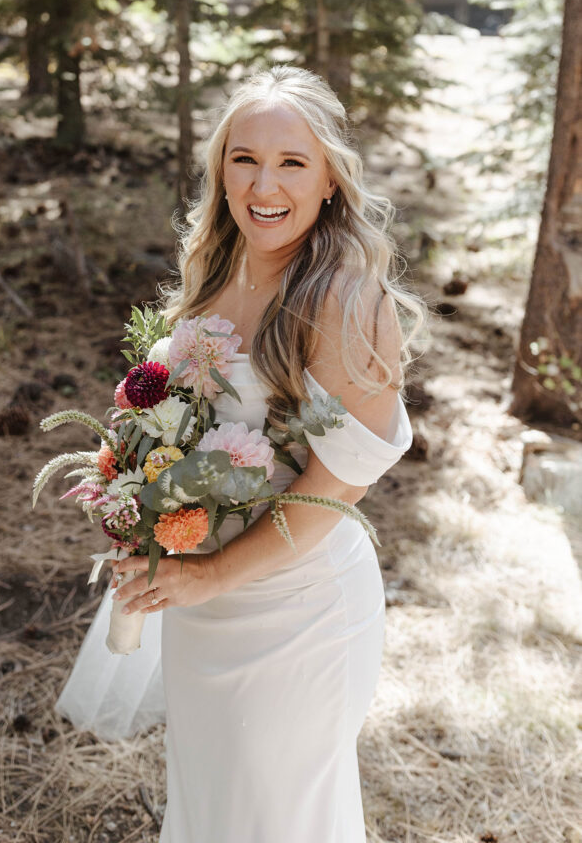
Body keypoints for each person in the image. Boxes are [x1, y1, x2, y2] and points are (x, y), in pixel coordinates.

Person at [58, 65, 427, 841]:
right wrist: (138, 485)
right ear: (220, 169)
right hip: (203, 608)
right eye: (243, 158)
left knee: (277, 814)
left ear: (329, 179)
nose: (265, 182)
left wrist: (215, 571)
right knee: (212, 806)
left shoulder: (342, 297)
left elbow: (337, 489)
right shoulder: (216, 270)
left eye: (292, 162)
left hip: (299, 613)